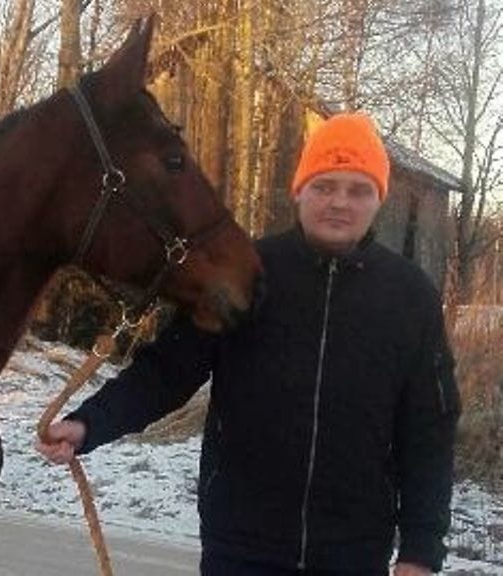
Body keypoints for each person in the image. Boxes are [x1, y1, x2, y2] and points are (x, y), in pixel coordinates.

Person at [37, 112, 460, 575]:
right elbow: (168, 371)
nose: (339, 202)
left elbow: (428, 430)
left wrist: (420, 552)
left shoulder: (410, 297)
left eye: (358, 190)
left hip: (354, 552)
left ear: (379, 199)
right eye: (324, 186)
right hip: (242, 546)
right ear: (300, 191)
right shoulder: (242, 274)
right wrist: (89, 424)